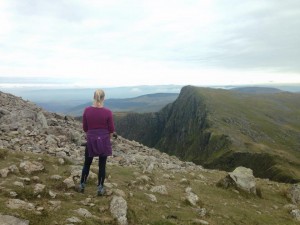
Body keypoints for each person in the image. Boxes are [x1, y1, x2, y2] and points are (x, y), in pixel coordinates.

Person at [78, 89, 115, 196]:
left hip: (91, 140)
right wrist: (107, 138)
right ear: (104, 98)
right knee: (102, 166)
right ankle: (100, 188)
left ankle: (82, 185)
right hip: (104, 140)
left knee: (87, 164)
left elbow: (85, 128)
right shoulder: (108, 112)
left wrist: (92, 134)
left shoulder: (87, 110)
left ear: (94, 97)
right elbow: (111, 129)